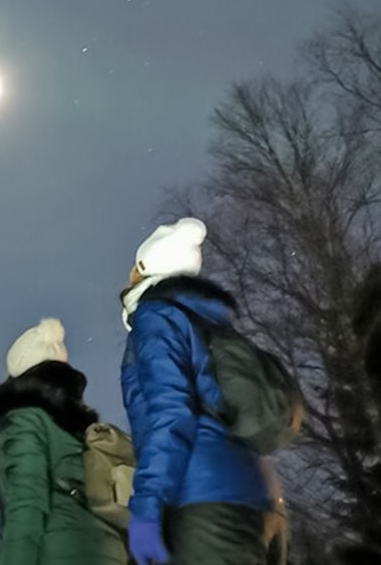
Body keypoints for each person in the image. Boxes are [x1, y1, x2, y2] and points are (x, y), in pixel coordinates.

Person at [119, 218, 278, 565]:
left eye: (134, 270)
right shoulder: (209, 323)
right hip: (248, 496)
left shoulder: (156, 318)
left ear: (148, 272)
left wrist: (146, 507)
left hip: (197, 500)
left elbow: (170, 414)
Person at [0, 317, 129, 565]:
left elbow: (25, 503)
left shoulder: (23, 420)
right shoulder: (81, 429)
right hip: (108, 551)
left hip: (60, 552)